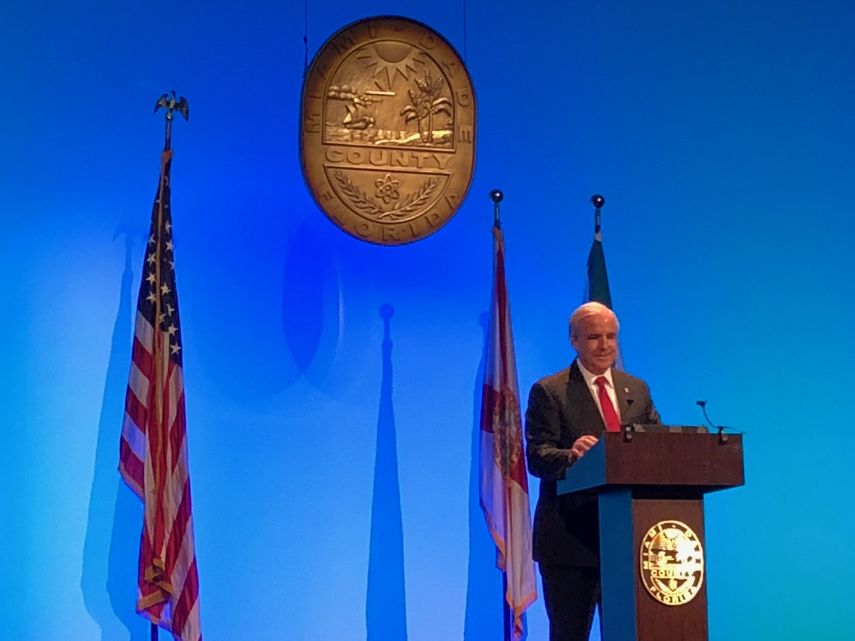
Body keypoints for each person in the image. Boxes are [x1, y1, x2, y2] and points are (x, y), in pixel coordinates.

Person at [524, 301, 660, 641]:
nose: (605, 346)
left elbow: (657, 447)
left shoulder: (637, 390)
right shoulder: (550, 391)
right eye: (595, 337)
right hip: (571, 544)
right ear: (574, 341)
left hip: (627, 540)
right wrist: (572, 455)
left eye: (611, 337)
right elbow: (538, 458)